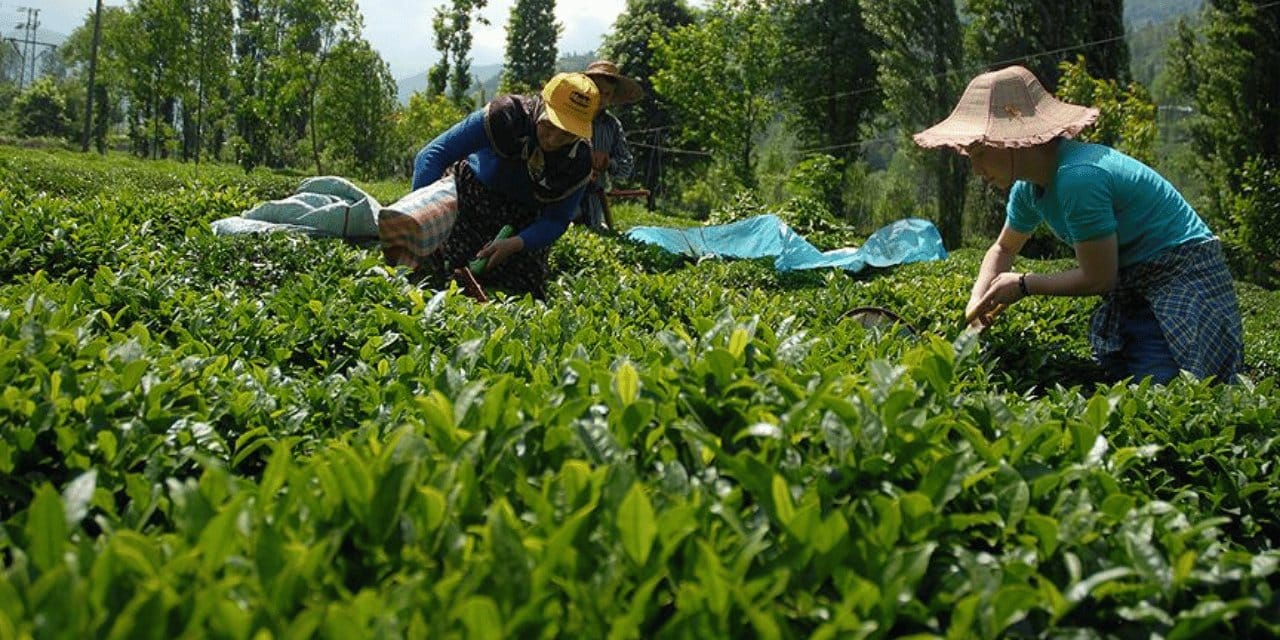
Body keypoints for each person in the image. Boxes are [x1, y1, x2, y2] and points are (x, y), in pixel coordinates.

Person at [914, 65, 1243, 384]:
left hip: (1181, 281)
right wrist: (978, 300)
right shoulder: (1028, 190)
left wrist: (1024, 285)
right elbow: (1003, 247)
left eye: (979, 153)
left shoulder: (1078, 178)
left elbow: (1098, 277)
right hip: (1134, 287)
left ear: (1009, 142)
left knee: (1162, 393)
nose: (976, 169)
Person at [411, 72, 599, 297]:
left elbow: (556, 219)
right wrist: (421, 219)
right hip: (472, 197)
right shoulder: (505, 116)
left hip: (523, 219)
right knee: (449, 266)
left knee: (524, 287)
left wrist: (517, 243)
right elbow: (432, 155)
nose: (553, 140)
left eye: (567, 135)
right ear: (541, 103)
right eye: (548, 126)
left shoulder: (579, 161)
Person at [577, 60, 643, 231]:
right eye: (596, 90)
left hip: (594, 205)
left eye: (606, 94)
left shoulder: (612, 125)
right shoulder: (570, 116)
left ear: (612, 97)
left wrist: (608, 163)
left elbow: (626, 168)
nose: (600, 98)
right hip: (562, 201)